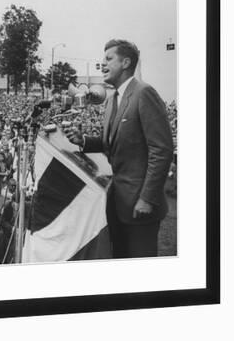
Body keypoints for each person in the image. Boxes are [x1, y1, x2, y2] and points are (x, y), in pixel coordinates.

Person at [65, 39, 173, 258]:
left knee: (141, 271)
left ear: (126, 62)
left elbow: (161, 150)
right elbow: (113, 144)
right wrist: (84, 140)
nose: (102, 64)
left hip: (140, 205)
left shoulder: (144, 93)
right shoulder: (113, 98)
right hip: (117, 202)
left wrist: (147, 198)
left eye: (108, 59)